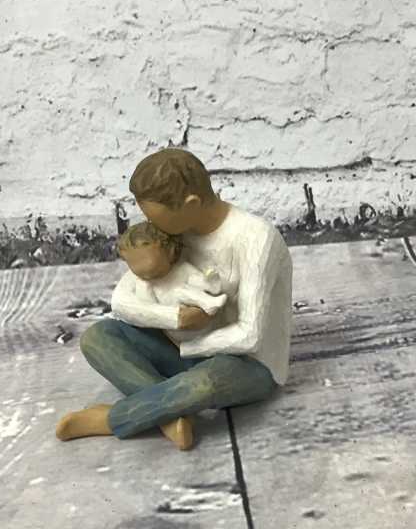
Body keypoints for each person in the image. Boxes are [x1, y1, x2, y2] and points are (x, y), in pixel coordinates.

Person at [56, 148, 293, 450]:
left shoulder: (256, 238)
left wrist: (188, 348)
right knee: (97, 338)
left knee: (205, 382)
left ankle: (115, 418)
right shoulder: (174, 231)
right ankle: (168, 415)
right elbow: (122, 301)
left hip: (247, 364)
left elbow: (250, 335)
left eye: (155, 217)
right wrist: (176, 320)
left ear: (190, 204)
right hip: (181, 346)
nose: (151, 225)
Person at [113, 220, 233, 347]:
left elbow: (197, 281)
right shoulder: (144, 284)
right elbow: (142, 306)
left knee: (182, 291)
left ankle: (208, 302)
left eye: (154, 270)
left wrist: (208, 282)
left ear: (170, 251)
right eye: (137, 270)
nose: (147, 276)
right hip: (172, 335)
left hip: (202, 329)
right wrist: (175, 317)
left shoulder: (182, 269)